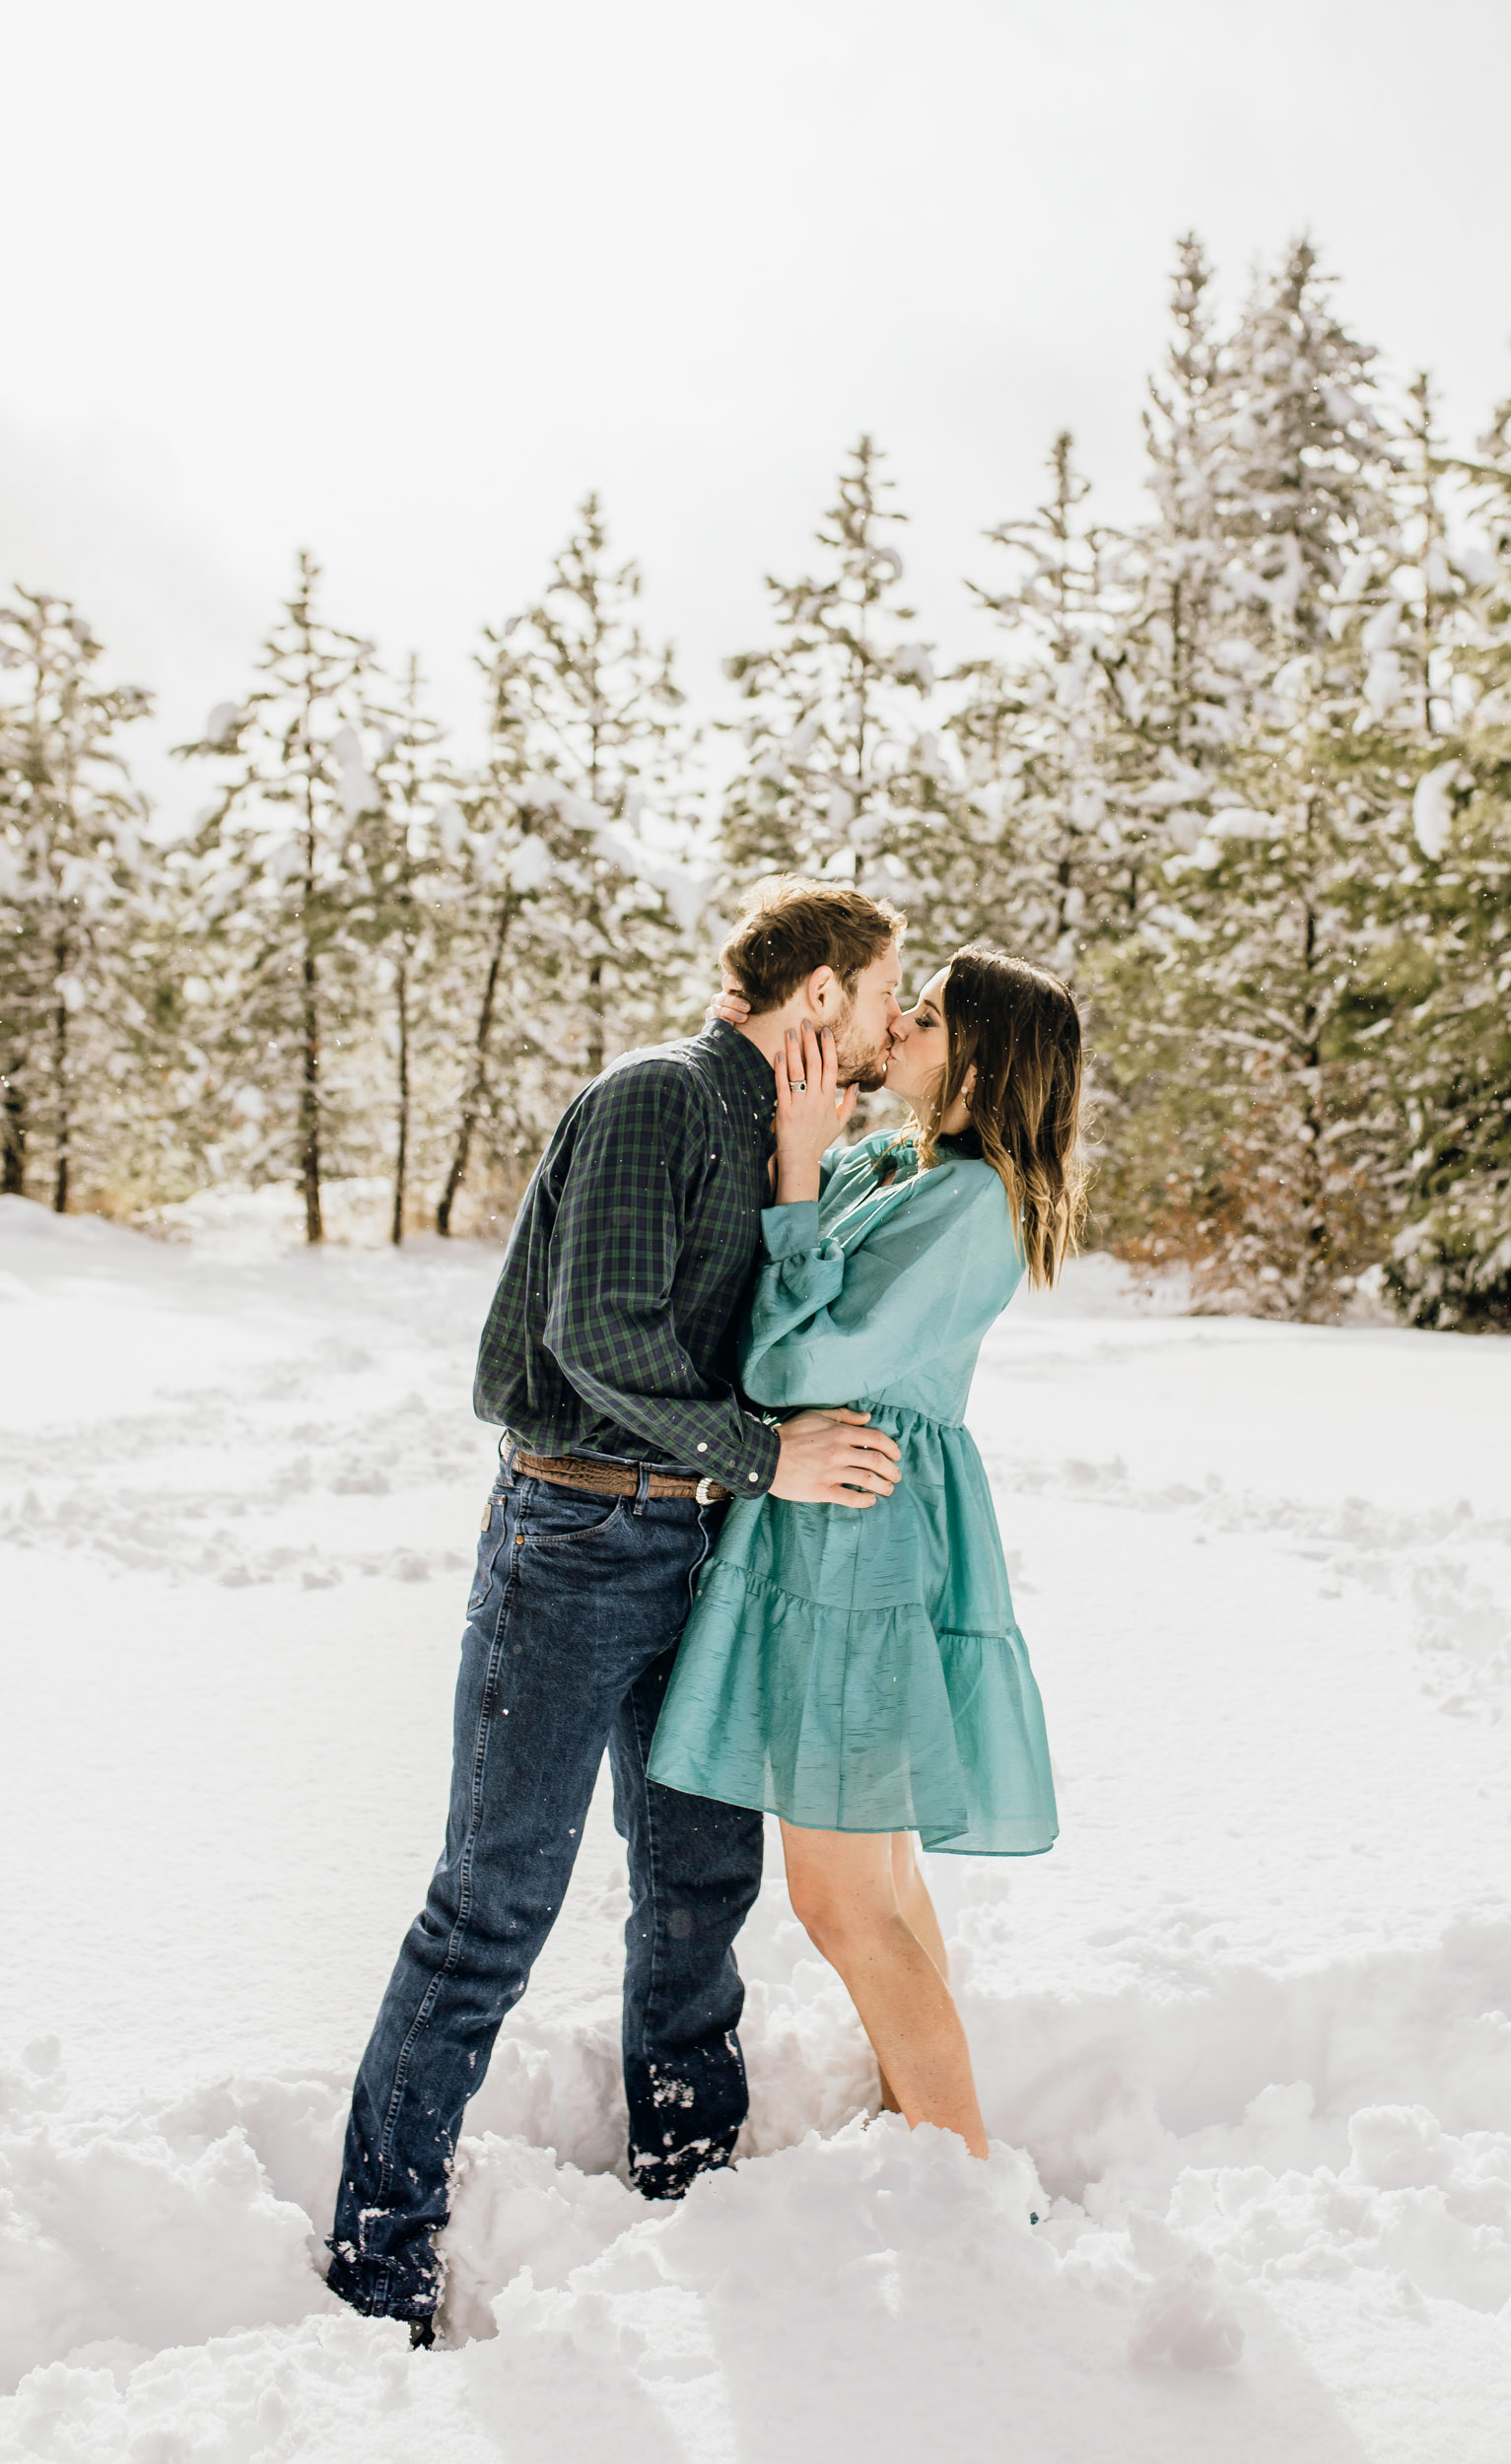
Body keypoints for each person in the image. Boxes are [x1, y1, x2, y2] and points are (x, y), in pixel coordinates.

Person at [327, 877, 909, 2337]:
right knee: (492, 1905)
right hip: (575, 1542)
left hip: (697, 1543)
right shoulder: (654, 1099)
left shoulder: (779, 1131)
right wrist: (772, 1457)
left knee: (701, 1879)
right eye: (886, 994)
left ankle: (691, 2169)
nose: (897, 1023)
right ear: (818, 997)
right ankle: (378, 2255)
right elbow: (599, 1342)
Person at [649, 945, 1084, 2159]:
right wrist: (808, 1129)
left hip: (857, 1528)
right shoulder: (902, 1165)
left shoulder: (970, 1200)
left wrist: (796, 1163)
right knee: (877, 1885)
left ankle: (962, 2164)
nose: (900, 1027)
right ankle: (927, 2139)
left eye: (928, 1019)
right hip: (837, 1514)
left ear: (983, 1059)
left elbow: (796, 1365)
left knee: (839, 1899)